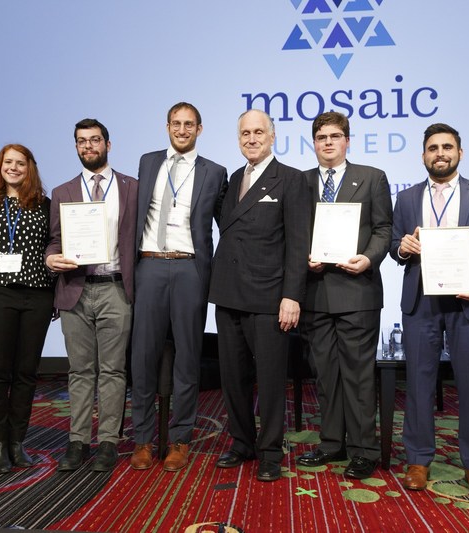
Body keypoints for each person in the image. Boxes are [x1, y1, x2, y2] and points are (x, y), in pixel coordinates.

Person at [390, 123, 469, 498]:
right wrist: (403, 248)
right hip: (420, 301)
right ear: (423, 155)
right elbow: (395, 246)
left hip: (467, 301)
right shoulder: (406, 198)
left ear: (460, 152)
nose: (440, 153)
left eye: (447, 147)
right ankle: (418, 460)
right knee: (418, 384)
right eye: (432, 148)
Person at [208, 109, 311, 482]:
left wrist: (292, 296)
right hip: (228, 293)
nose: (251, 139)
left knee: (269, 380)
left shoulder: (291, 179)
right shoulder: (234, 178)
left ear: (273, 136)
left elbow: (298, 244)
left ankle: (270, 451)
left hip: (270, 297)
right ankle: (241, 443)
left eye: (258, 132)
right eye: (244, 133)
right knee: (233, 377)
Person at [129, 102, 228, 471]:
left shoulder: (215, 172)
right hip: (150, 266)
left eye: (189, 125)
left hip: (190, 270)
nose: (182, 130)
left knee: (187, 358)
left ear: (199, 129)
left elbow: (227, 224)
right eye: (176, 123)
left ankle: (180, 439)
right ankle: (141, 439)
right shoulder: (148, 162)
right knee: (143, 357)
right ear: (166, 126)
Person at [296, 112, 392, 480]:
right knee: (325, 374)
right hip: (316, 291)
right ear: (314, 142)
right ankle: (332, 443)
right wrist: (305, 257)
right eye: (321, 137)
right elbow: (295, 231)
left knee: (358, 375)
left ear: (348, 140)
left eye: (335, 136)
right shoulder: (300, 182)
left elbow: (384, 228)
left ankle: (364, 450)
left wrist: (368, 257)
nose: (328, 143)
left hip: (358, 291)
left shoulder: (372, 177)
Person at [45, 118, 138, 472]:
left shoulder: (132, 187)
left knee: (113, 371)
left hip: (116, 288)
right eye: (82, 142)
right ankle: (77, 440)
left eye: (95, 140)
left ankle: (109, 442)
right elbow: (54, 239)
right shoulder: (62, 192)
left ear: (108, 145)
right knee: (80, 371)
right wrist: (51, 258)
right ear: (76, 147)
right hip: (75, 290)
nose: (89, 147)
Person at [0, 144, 54, 474]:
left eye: (21, 163)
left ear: (30, 167)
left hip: (36, 296)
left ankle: (17, 443)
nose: (14, 168)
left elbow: (54, 247)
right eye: (8, 162)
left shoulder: (45, 205)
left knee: (26, 373)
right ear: (0, 166)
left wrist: (56, 296)